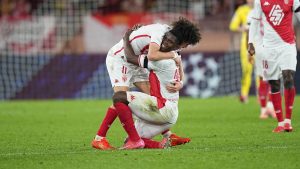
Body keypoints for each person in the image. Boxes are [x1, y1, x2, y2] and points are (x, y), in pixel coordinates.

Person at [92, 17, 201, 149]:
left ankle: (167, 136)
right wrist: (172, 56)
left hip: (137, 61)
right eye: (187, 43)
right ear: (184, 40)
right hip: (121, 58)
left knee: (153, 99)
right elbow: (152, 55)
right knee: (121, 98)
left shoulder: (173, 40)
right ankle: (100, 138)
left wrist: (181, 83)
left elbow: (178, 62)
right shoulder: (160, 34)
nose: (185, 47)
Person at [248, 0, 299, 132]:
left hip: (287, 46)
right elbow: (254, 21)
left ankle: (288, 121)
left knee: (288, 78)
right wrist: (250, 42)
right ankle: (280, 123)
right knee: (274, 83)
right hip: (268, 49)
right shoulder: (259, 1)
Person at [246, 9, 275, 119]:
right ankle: (269, 107)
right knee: (273, 78)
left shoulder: (252, 12)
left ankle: (265, 109)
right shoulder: (275, 8)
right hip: (270, 48)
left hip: (260, 49)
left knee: (263, 78)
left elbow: (248, 33)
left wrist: (248, 50)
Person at [229, 0, 254, 103]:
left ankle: (263, 96)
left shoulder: (261, 8)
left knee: (262, 71)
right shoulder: (241, 10)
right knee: (247, 70)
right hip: (246, 42)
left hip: (261, 41)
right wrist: (242, 28)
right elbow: (232, 26)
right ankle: (244, 95)